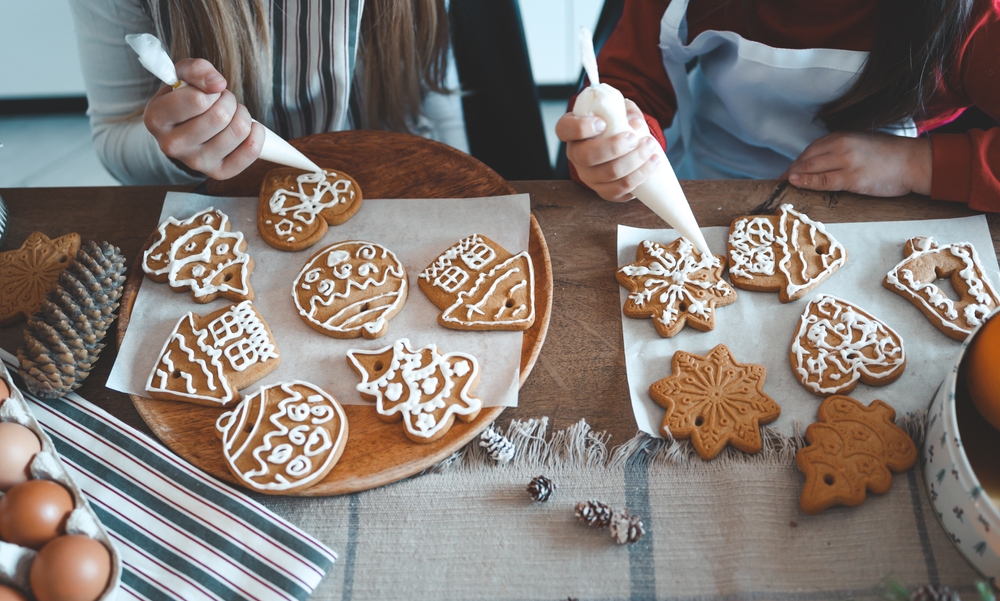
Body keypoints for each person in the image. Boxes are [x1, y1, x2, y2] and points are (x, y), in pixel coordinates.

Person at [557, 0, 1000, 212]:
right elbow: (627, 85)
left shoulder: (975, 20)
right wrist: (614, 146)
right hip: (708, 180)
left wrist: (918, 164)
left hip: (884, 205)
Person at [68, 0, 467, 185]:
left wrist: (463, 187)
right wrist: (179, 141)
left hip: (391, 175)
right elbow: (114, 135)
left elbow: (435, 91)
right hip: (225, 200)